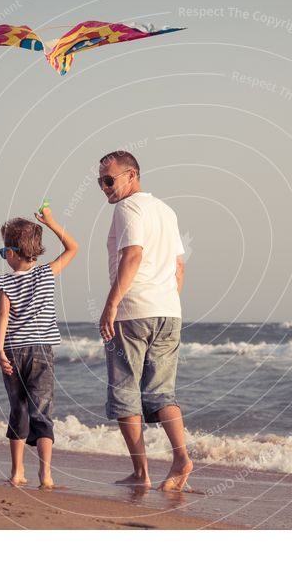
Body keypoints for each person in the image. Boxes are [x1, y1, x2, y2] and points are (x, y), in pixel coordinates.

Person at [98, 150, 193, 491]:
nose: (105, 187)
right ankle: (181, 458)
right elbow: (180, 265)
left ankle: (141, 473)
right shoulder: (166, 211)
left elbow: (133, 254)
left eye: (110, 180)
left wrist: (111, 305)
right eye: (100, 182)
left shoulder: (127, 207)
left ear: (131, 175)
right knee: (161, 393)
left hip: (133, 311)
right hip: (168, 311)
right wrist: (167, 299)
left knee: (124, 392)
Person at [0, 208, 78, 488]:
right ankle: (46, 475)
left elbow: (2, 316)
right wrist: (51, 221)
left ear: (14, 253)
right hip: (41, 351)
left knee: (17, 409)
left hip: (14, 351)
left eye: (4, 251)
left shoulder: (4, 281)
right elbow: (73, 247)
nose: (4, 257)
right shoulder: (45, 274)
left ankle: (17, 472)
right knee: (42, 411)